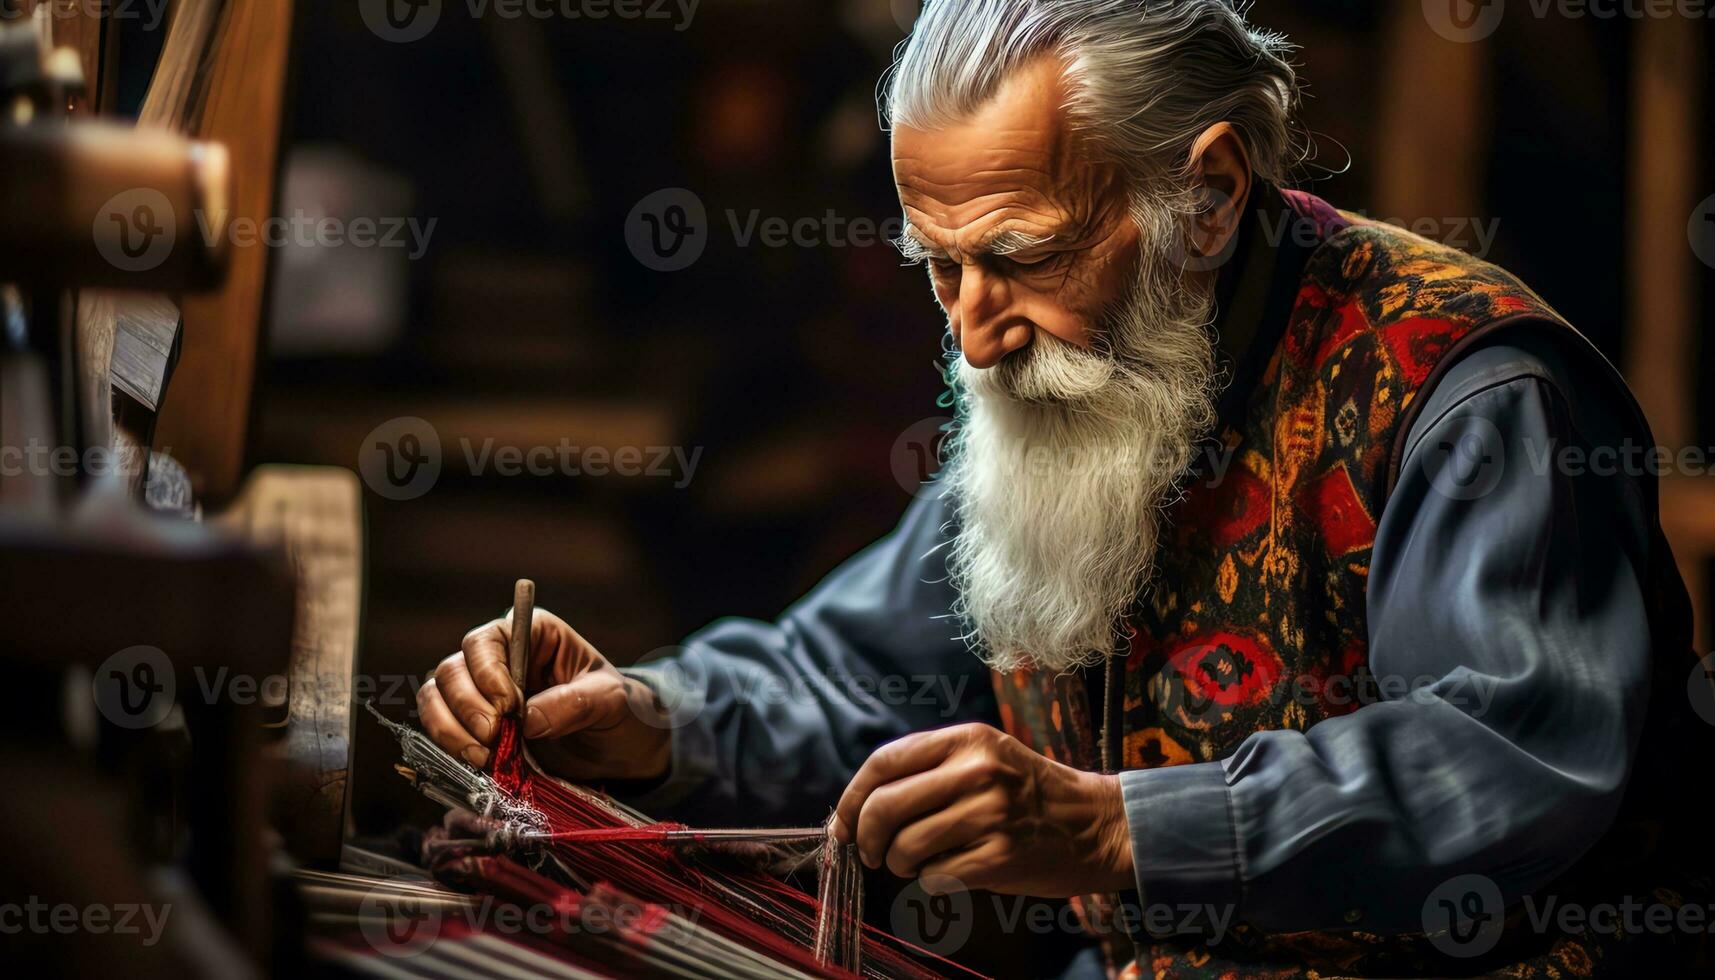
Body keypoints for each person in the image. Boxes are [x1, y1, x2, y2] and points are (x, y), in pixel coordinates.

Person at [418, 2, 1707, 974]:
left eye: (1019, 258)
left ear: (1204, 198)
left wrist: (1109, 829)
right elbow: (859, 676)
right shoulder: (1064, 370)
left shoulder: (1474, 398)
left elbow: (1509, 751)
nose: (973, 331)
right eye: (939, 266)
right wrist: (656, 713)